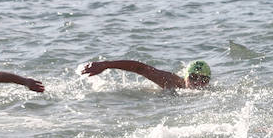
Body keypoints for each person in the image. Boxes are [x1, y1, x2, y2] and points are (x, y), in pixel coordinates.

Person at [81, 59, 211, 89]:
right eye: (193, 77)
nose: (198, 83)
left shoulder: (210, 93)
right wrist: (106, 64)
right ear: (185, 77)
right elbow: (141, 68)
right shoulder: (173, 82)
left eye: (203, 79)